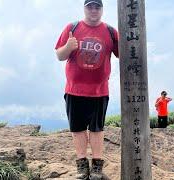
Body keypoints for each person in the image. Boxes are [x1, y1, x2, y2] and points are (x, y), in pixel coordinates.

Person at [54, 0, 118, 179]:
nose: (94, 10)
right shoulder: (72, 27)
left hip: (99, 90)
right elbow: (59, 55)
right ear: (84, 9)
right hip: (74, 90)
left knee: (97, 129)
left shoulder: (111, 32)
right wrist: (68, 46)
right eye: (90, 6)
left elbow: (125, 53)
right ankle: (82, 166)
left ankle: (97, 167)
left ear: (102, 10)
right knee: (78, 128)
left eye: (97, 7)